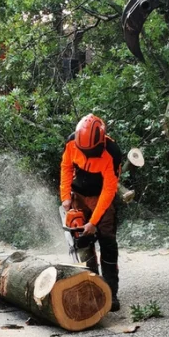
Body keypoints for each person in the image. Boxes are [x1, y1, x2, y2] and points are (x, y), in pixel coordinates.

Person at [60, 114, 122, 311]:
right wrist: (66, 197)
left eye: (91, 150)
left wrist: (94, 222)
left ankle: (111, 292)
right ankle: (91, 287)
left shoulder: (112, 152)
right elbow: (66, 167)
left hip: (100, 198)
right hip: (78, 194)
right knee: (82, 241)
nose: (87, 154)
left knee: (107, 242)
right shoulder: (72, 142)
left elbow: (109, 190)